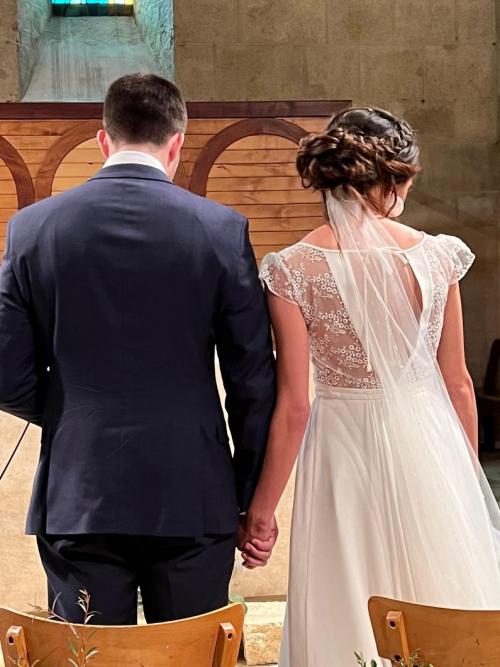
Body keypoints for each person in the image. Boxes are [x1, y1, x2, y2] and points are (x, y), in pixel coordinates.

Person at [0, 73, 277, 625]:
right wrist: (248, 498)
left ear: (103, 140)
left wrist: (71, 411)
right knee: (189, 656)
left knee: (90, 657)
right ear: (178, 143)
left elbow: (6, 372)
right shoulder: (221, 229)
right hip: (192, 490)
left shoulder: (32, 227)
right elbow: (252, 381)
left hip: (80, 491)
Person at [240, 107, 500, 665]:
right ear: (394, 179)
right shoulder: (437, 257)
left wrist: (262, 512)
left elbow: (294, 406)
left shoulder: (293, 269)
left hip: (342, 447)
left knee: (348, 591)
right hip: (430, 442)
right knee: (437, 588)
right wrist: (466, 482)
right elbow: (458, 384)